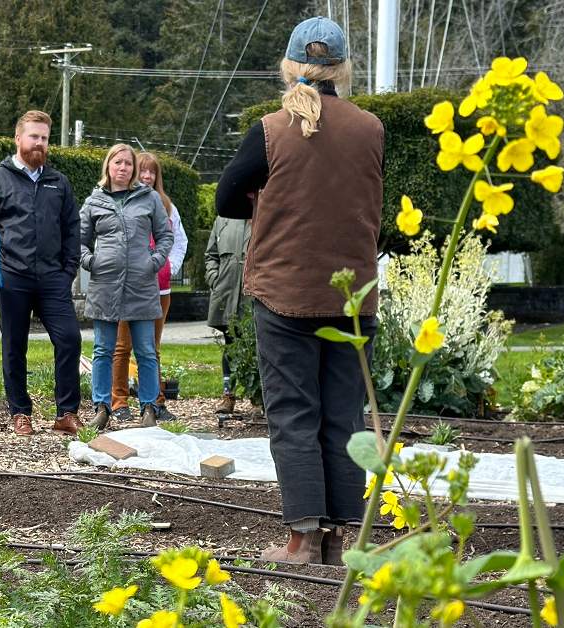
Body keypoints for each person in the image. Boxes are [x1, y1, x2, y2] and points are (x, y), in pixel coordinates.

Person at [215, 16, 384, 564]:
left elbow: (224, 198)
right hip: (352, 296)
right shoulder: (370, 128)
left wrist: (272, 203)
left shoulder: (270, 129)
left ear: (290, 67)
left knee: (293, 413)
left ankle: (302, 539)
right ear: (343, 70)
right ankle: (342, 541)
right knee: (345, 414)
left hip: (285, 290)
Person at [0, 110, 83, 436]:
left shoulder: (59, 182)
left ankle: (66, 413)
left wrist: (68, 270)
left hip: (53, 277)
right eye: (33, 136)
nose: (39, 143)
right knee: (15, 345)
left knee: (69, 338)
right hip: (12, 276)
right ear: (18, 138)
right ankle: (20, 413)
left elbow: (72, 228)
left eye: (44, 138)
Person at [80, 144, 172, 430]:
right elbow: (78, 240)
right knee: (103, 349)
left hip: (142, 286)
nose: (123, 168)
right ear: (108, 166)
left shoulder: (149, 199)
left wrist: (153, 262)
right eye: (118, 163)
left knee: (145, 350)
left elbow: (165, 234)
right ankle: (102, 407)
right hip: (105, 285)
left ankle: (149, 408)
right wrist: (90, 261)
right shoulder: (94, 201)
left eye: (128, 164)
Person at [109, 152, 188, 423]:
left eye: (151, 172)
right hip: (128, 288)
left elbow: (179, 240)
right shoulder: (123, 202)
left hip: (159, 290)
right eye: (142, 171)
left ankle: (154, 401)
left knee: (151, 348)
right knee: (122, 346)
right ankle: (118, 400)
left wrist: (169, 267)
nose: (146, 176)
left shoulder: (167, 207)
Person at [205, 215, 253, 415]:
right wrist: (214, 278)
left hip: (253, 295)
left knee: (257, 345)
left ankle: (256, 398)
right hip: (226, 292)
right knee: (230, 345)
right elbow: (211, 255)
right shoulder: (223, 220)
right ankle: (228, 395)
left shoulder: (264, 213)